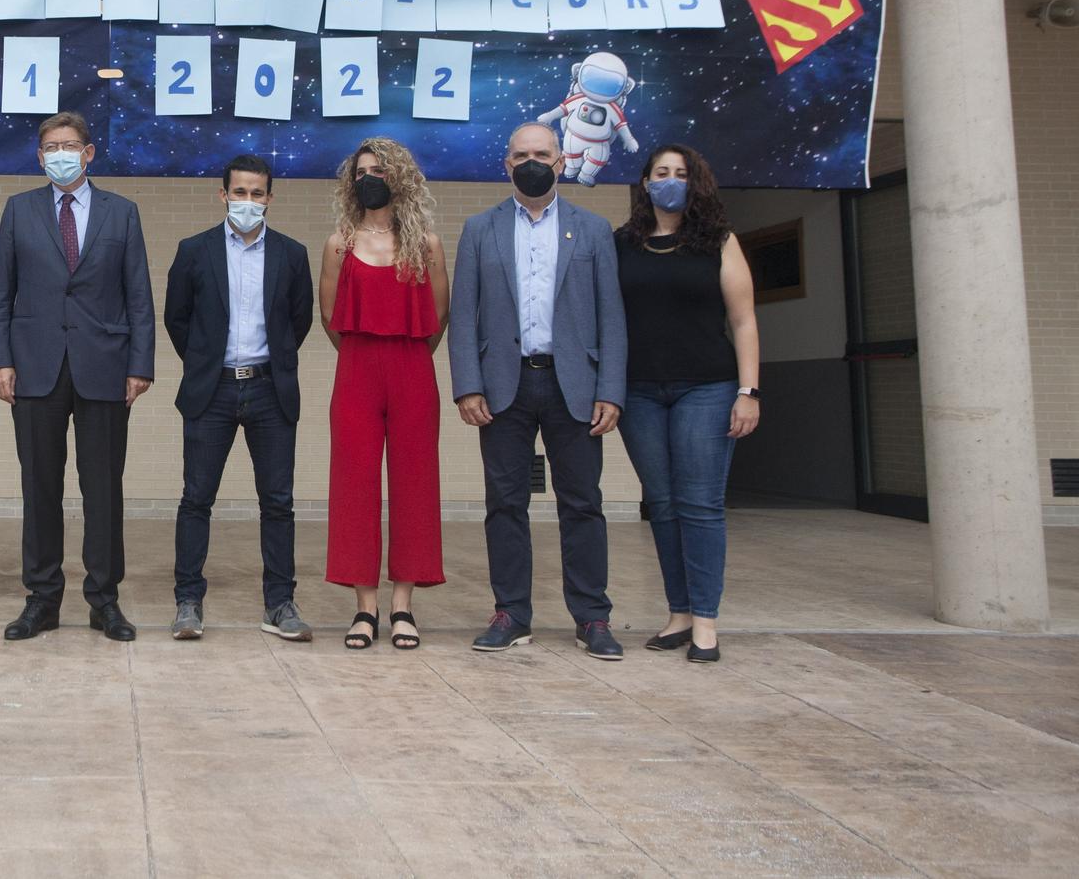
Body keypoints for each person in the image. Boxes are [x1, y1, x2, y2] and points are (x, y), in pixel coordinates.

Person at [450, 121, 628, 659]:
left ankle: (592, 617)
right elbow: (463, 316)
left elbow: (611, 317)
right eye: (521, 154)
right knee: (504, 504)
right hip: (503, 385)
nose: (532, 162)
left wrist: (611, 390)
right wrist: (467, 386)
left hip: (574, 384)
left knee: (583, 504)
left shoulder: (593, 229)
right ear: (506, 164)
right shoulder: (479, 228)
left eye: (542, 154)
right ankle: (511, 613)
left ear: (561, 160)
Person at [0, 111, 155, 642]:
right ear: (40, 157)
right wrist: (0, 360)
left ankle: (104, 600)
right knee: (39, 486)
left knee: (103, 487)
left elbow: (140, 298)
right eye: (50, 146)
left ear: (89, 152)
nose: (60, 153)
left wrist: (139, 365)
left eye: (70, 145)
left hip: (104, 367)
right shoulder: (18, 211)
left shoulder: (121, 213)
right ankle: (42, 598)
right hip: (34, 367)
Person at [616, 145, 761, 664]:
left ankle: (705, 622)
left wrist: (748, 392)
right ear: (646, 182)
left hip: (708, 388)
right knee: (663, 504)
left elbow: (743, 321)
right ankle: (678, 613)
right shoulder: (623, 244)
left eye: (680, 174)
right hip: (639, 393)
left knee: (700, 506)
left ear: (696, 184)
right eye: (661, 173)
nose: (670, 181)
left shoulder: (719, 243)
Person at [164, 154, 316, 642]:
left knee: (278, 503)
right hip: (213, 390)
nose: (247, 201)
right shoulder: (194, 250)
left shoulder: (292, 254)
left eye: (257, 193)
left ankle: (280, 604)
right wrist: (206, 362)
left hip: (271, 390)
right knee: (196, 500)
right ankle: (188, 602)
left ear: (270, 198)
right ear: (223, 193)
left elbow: (299, 321)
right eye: (239, 192)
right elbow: (177, 319)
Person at [319, 139, 450, 651]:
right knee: (353, 484)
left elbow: (439, 315)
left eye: (378, 170)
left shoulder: (427, 244)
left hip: (413, 368)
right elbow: (329, 317)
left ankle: (403, 606)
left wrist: (406, 352)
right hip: (355, 368)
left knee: (416, 483)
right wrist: (364, 350)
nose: (368, 178)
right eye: (361, 171)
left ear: (400, 176)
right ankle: (364, 608)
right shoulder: (338, 242)